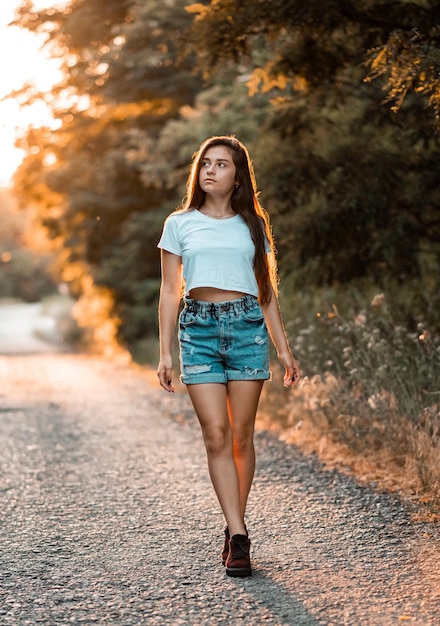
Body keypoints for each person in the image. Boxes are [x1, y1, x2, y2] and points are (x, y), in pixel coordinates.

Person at [156, 135, 301, 577]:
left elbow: (266, 291)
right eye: (206, 163)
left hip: (246, 330)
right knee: (216, 435)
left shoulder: (253, 226)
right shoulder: (178, 224)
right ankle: (239, 536)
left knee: (241, 437)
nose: (211, 170)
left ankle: (232, 523)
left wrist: (284, 349)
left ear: (238, 176)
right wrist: (164, 353)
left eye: (222, 164)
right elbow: (168, 292)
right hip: (197, 330)